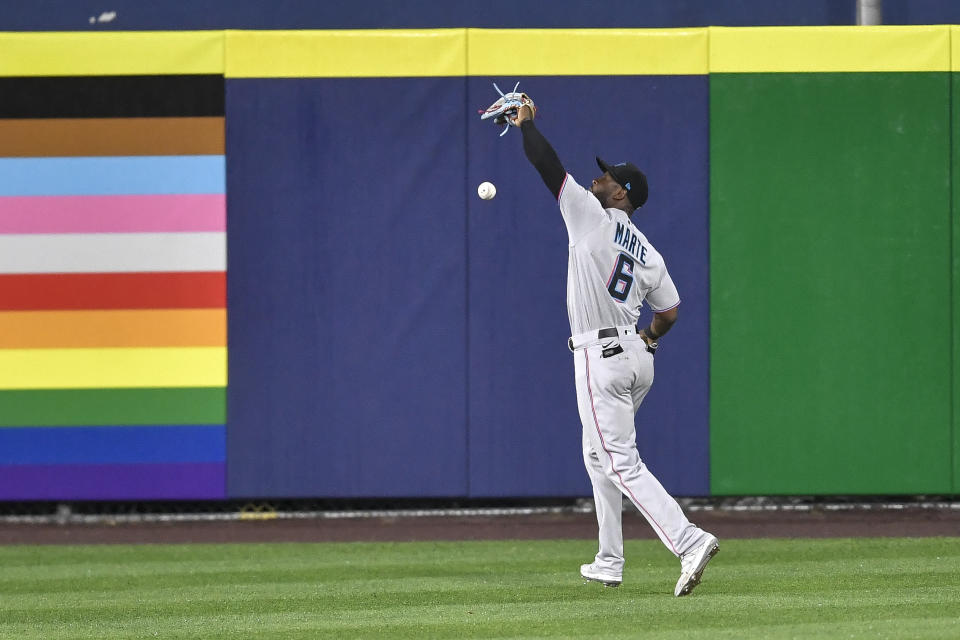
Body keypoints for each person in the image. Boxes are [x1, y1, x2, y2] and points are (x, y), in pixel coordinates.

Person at [513, 100, 718, 596]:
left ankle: (689, 540)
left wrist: (527, 124)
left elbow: (547, 165)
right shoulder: (648, 250)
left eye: (606, 178)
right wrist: (649, 339)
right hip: (636, 358)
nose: (597, 179)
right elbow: (669, 311)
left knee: (620, 460)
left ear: (620, 193)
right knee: (597, 455)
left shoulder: (590, 215)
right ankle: (609, 559)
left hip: (599, 358)